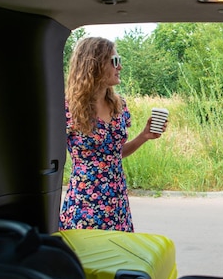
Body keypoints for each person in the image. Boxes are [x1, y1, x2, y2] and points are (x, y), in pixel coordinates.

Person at [60, 37, 166, 232]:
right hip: (85, 203)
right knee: (87, 258)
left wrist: (144, 136)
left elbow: (114, 153)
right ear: (95, 64)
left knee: (119, 257)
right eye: (115, 61)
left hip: (117, 202)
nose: (121, 67)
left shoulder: (120, 106)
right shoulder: (67, 109)